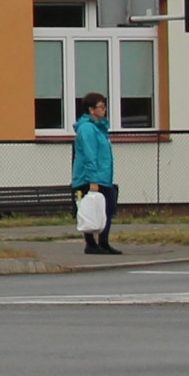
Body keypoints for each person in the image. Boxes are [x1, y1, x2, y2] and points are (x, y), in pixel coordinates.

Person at [72, 90, 118, 254]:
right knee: (90, 209)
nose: (104, 110)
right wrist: (93, 180)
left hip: (102, 176)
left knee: (107, 209)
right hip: (90, 178)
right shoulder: (87, 129)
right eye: (101, 107)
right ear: (91, 110)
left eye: (104, 107)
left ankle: (103, 242)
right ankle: (91, 244)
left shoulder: (99, 129)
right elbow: (90, 155)